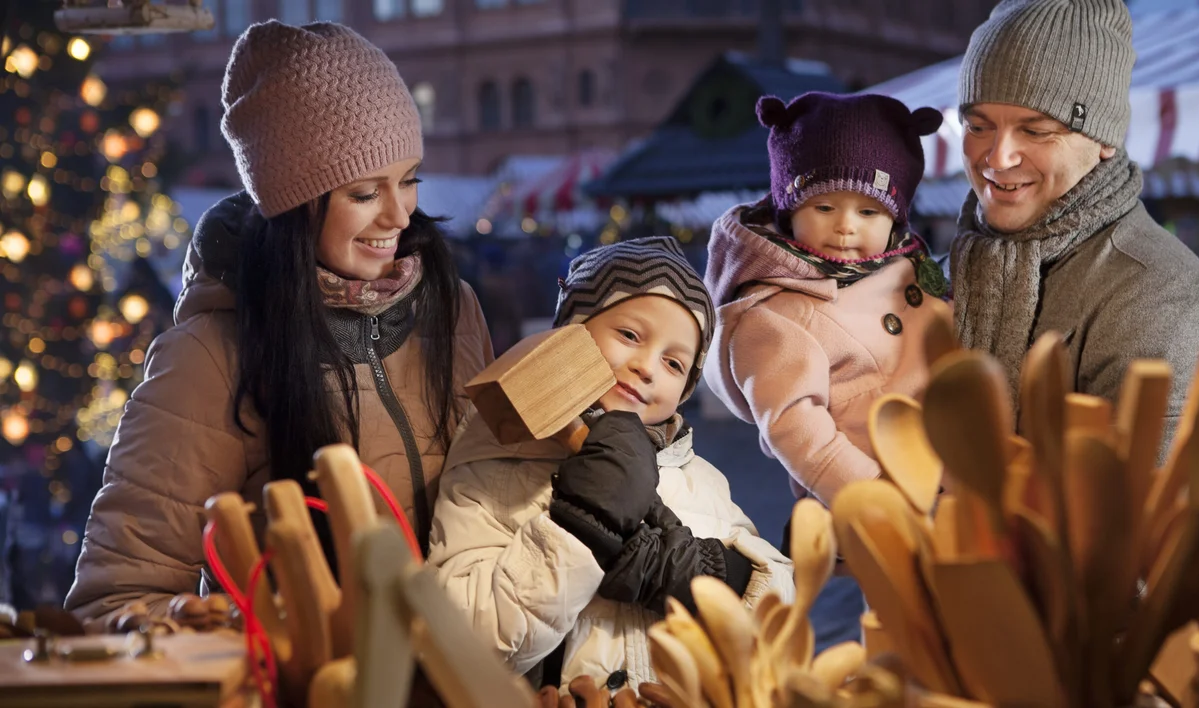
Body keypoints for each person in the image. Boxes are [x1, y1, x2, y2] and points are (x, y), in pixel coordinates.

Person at [65, 21, 493, 626]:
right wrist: (261, 632)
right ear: (293, 203)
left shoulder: (452, 307)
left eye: (409, 180)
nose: (399, 216)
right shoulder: (211, 355)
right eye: (365, 193)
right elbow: (115, 602)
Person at [428, 237, 793, 692]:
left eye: (674, 363)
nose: (647, 367)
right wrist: (581, 528)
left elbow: (779, 607)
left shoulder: (698, 479)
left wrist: (682, 569)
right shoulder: (500, 462)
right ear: (570, 334)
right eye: (630, 336)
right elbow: (464, 642)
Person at [950, 0, 1199, 449]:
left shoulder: (1159, 294)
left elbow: (1149, 491)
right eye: (978, 126)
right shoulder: (955, 266)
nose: (998, 157)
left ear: (1104, 140)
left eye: (1035, 131)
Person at [703, 92, 948, 505]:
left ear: (895, 220)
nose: (845, 226)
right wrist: (875, 500)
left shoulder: (907, 263)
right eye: (824, 206)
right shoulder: (778, 311)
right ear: (789, 211)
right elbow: (797, 427)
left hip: (957, 471)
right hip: (882, 497)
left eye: (868, 212)